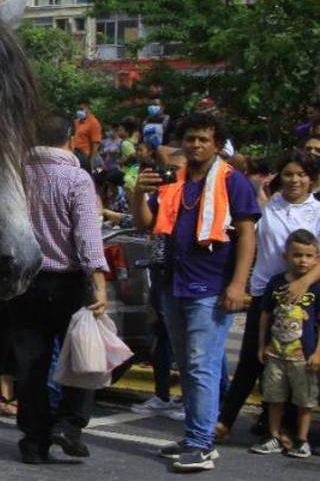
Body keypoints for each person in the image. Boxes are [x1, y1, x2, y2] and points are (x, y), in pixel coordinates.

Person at [132, 112, 261, 472]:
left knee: (202, 365)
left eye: (204, 139)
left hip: (210, 288)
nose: (196, 145)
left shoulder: (233, 182)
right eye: (191, 138)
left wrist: (237, 284)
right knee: (187, 366)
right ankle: (193, 435)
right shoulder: (175, 181)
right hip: (174, 284)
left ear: (217, 144)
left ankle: (202, 443)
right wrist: (138, 194)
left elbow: (248, 235)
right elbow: (146, 224)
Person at [10, 114, 108, 465]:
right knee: (81, 358)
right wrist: (99, 282)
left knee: (31, 367)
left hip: (24, 282)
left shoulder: (18, 175)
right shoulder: (77, 179)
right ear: (70, 139)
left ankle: (34, 439)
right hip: (68, 283)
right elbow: (86, 235)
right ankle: (68, 424)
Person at [217, 150, 320, 440]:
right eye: (288, 174)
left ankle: (286, 428)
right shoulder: (268, 206)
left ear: (311, 179)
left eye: (301, 174)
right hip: (265, 293)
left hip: (305, 298)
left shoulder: (318, 211)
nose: (295, 180)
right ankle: (225, 421)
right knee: (252, 359)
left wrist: (303, 283)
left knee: (296, 364)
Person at [248, 229, 319, 458]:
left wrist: (318, 352)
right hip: (276, 354)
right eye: (297, 254)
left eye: (309, 256)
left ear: (317, 258)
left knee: (304, 400)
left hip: (303, 357)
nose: (303, 260)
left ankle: (301, 439)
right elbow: (266, 315)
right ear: (285, 256)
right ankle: (274, 436)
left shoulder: (316, 287)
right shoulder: (276, 283)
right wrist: (261, 345)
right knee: (274, 397)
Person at [70, 100, 103, 169]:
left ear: (88, 109)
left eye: (81, 109)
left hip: (84, 157)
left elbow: (96, 144)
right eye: (78, 109)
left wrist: (91, 161)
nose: (79, 111)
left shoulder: (94, 123)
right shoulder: (76, 122)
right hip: (73, 155)